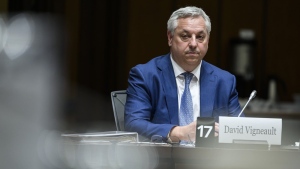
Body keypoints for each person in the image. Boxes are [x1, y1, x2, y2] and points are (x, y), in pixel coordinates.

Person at [124, 6, 243, 143]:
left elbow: (240, 129)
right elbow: (133, 124)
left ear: (208, 41)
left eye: (200, 37)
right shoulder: (146, 75)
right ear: (170, 38)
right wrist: (179, 133)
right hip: (162, 161)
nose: (193, 44)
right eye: (185, 36)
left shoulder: (225, 81)